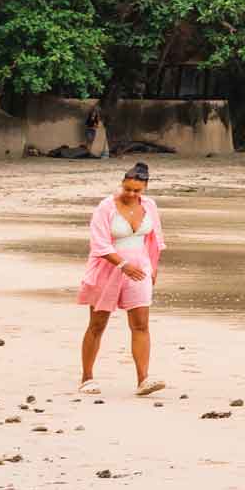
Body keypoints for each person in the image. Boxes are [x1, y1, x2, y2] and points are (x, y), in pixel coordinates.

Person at [79, 162, 166, 394]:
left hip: (140, 270)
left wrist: (153, 269)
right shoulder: (105, 207)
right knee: (97, 324)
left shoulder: (150, 206)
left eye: (137, 190)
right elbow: (99, 244)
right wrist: (123, 265)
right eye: (127, 188)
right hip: (108, 268)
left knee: (141, 324)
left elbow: (155, 240)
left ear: (145, 188)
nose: (131, 194)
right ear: (122, 184)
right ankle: (87, 378)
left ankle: (143, 379)